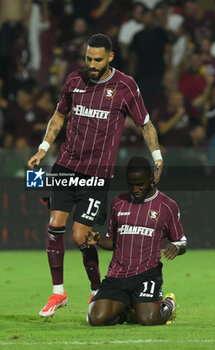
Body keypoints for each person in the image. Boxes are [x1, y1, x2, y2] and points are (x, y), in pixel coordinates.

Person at [27, 33, 163, 317]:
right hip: (65, 167)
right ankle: (58, 293)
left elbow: (146, 125)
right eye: (88, 58)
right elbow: (59, 115)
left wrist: (157, 156)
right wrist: (42, 148)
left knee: (80, 237)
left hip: (96, 175)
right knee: (54, 226)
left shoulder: (125, 86)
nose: (91, 64)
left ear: (110, 57)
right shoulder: (74, 81)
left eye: (97, 59)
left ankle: (95, 288)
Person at [87, 157, 187, 326]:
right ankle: (129, 309)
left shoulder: (167, 205)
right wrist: (98, 241)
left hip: (147, 274)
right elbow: (113, 242)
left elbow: (182, 240)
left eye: (140, 184)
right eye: (131, 184)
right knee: (96, 318)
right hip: (117, 275)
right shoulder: (119, 203)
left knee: (149, 319)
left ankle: (169, 304)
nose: (135, 189)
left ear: (151, 179)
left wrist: (177, 246)